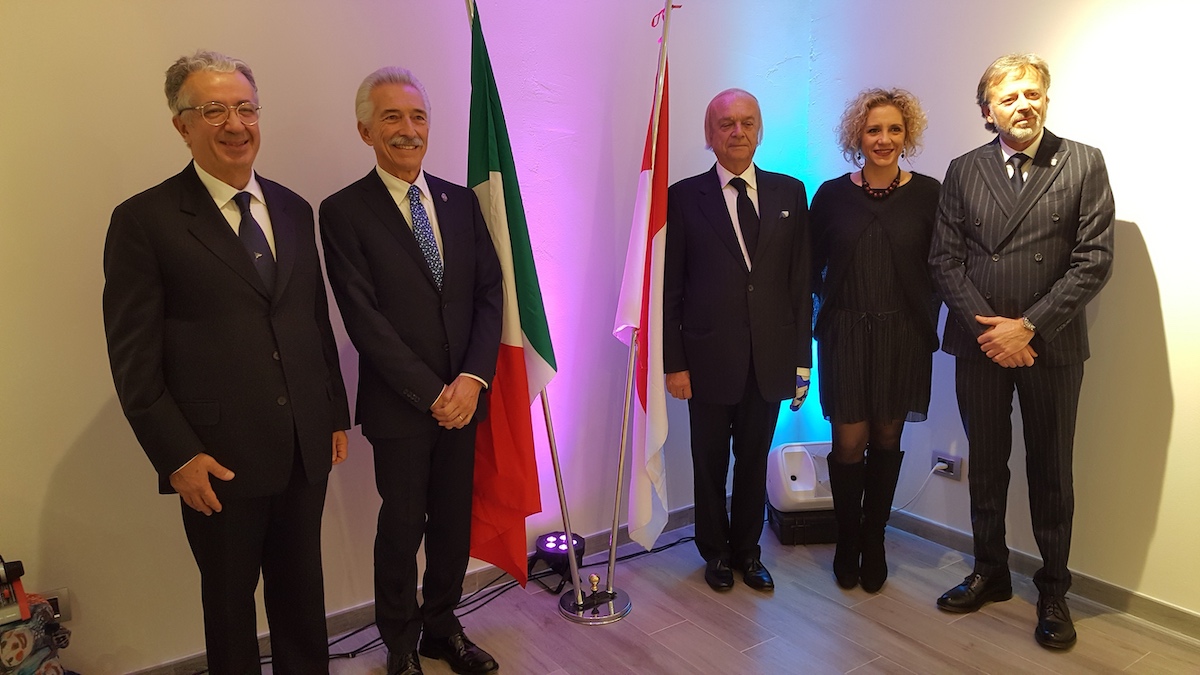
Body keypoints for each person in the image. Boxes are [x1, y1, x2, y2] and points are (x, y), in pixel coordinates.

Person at [102, 50, 351, 674]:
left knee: (303, 595)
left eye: (245, 108)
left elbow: (313, 320)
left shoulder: (293, 208)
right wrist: (178, 456)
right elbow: (133, 360)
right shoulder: (144, 220)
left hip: (303, 447)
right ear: (182, 125)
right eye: (214, 110)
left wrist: (333, 413)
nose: (235, 124)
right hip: (216, 459)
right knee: (230, 606)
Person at [319, 67, 503, 675]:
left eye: (417, 117)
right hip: (400, 406)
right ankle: (399, 642)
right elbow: (363, 318)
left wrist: (472, 380)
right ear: (365, 130)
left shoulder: (460, 202)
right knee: (401, 526)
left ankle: (442, 628)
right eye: (392, 117)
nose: (407, 129)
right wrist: (432, 394)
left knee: (451, 524)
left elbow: (489, 293)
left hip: (464, 399)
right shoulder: (343, 211)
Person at [929, 53, 1115, 649]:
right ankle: (990, 570)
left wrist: (1028, 327)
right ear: (989, 111)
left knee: (1051, 470)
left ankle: (1054, 588)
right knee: (986, 463)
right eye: (1009, 98)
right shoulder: (963, 170)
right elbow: (944, 260)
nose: (1023, 105)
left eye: (1032, 93)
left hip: (1050, 345)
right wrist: (993, 332)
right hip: (980, 343)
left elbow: (1094, 261)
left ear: (1046, 99)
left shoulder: (1083, 162)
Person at [664, 88, 812, 593]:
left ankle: (749, 551)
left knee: (753, 460)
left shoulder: (790, 192)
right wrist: (674, 363)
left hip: (769, 359)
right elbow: (672, 288)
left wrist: (802, 360)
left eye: (747, 122)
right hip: (706, 359)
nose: (737, 132)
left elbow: (799, 284)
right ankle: (716, 553)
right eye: (726, 124)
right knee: (709, 464)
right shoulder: (684, 197)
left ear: (760, 130)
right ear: (709, 134)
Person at [810, 89, 941, 593]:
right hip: (844, 334)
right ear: (857, 137)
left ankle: (875, 538)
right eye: (873, 130)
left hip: (902, 334)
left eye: (893, 129)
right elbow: (811, 268)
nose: (883, 139)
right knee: (849, 442)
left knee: (888, 437)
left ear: (907, 136)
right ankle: (847, 540)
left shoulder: (929, 194)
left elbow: (942, 265)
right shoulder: (830, 196)